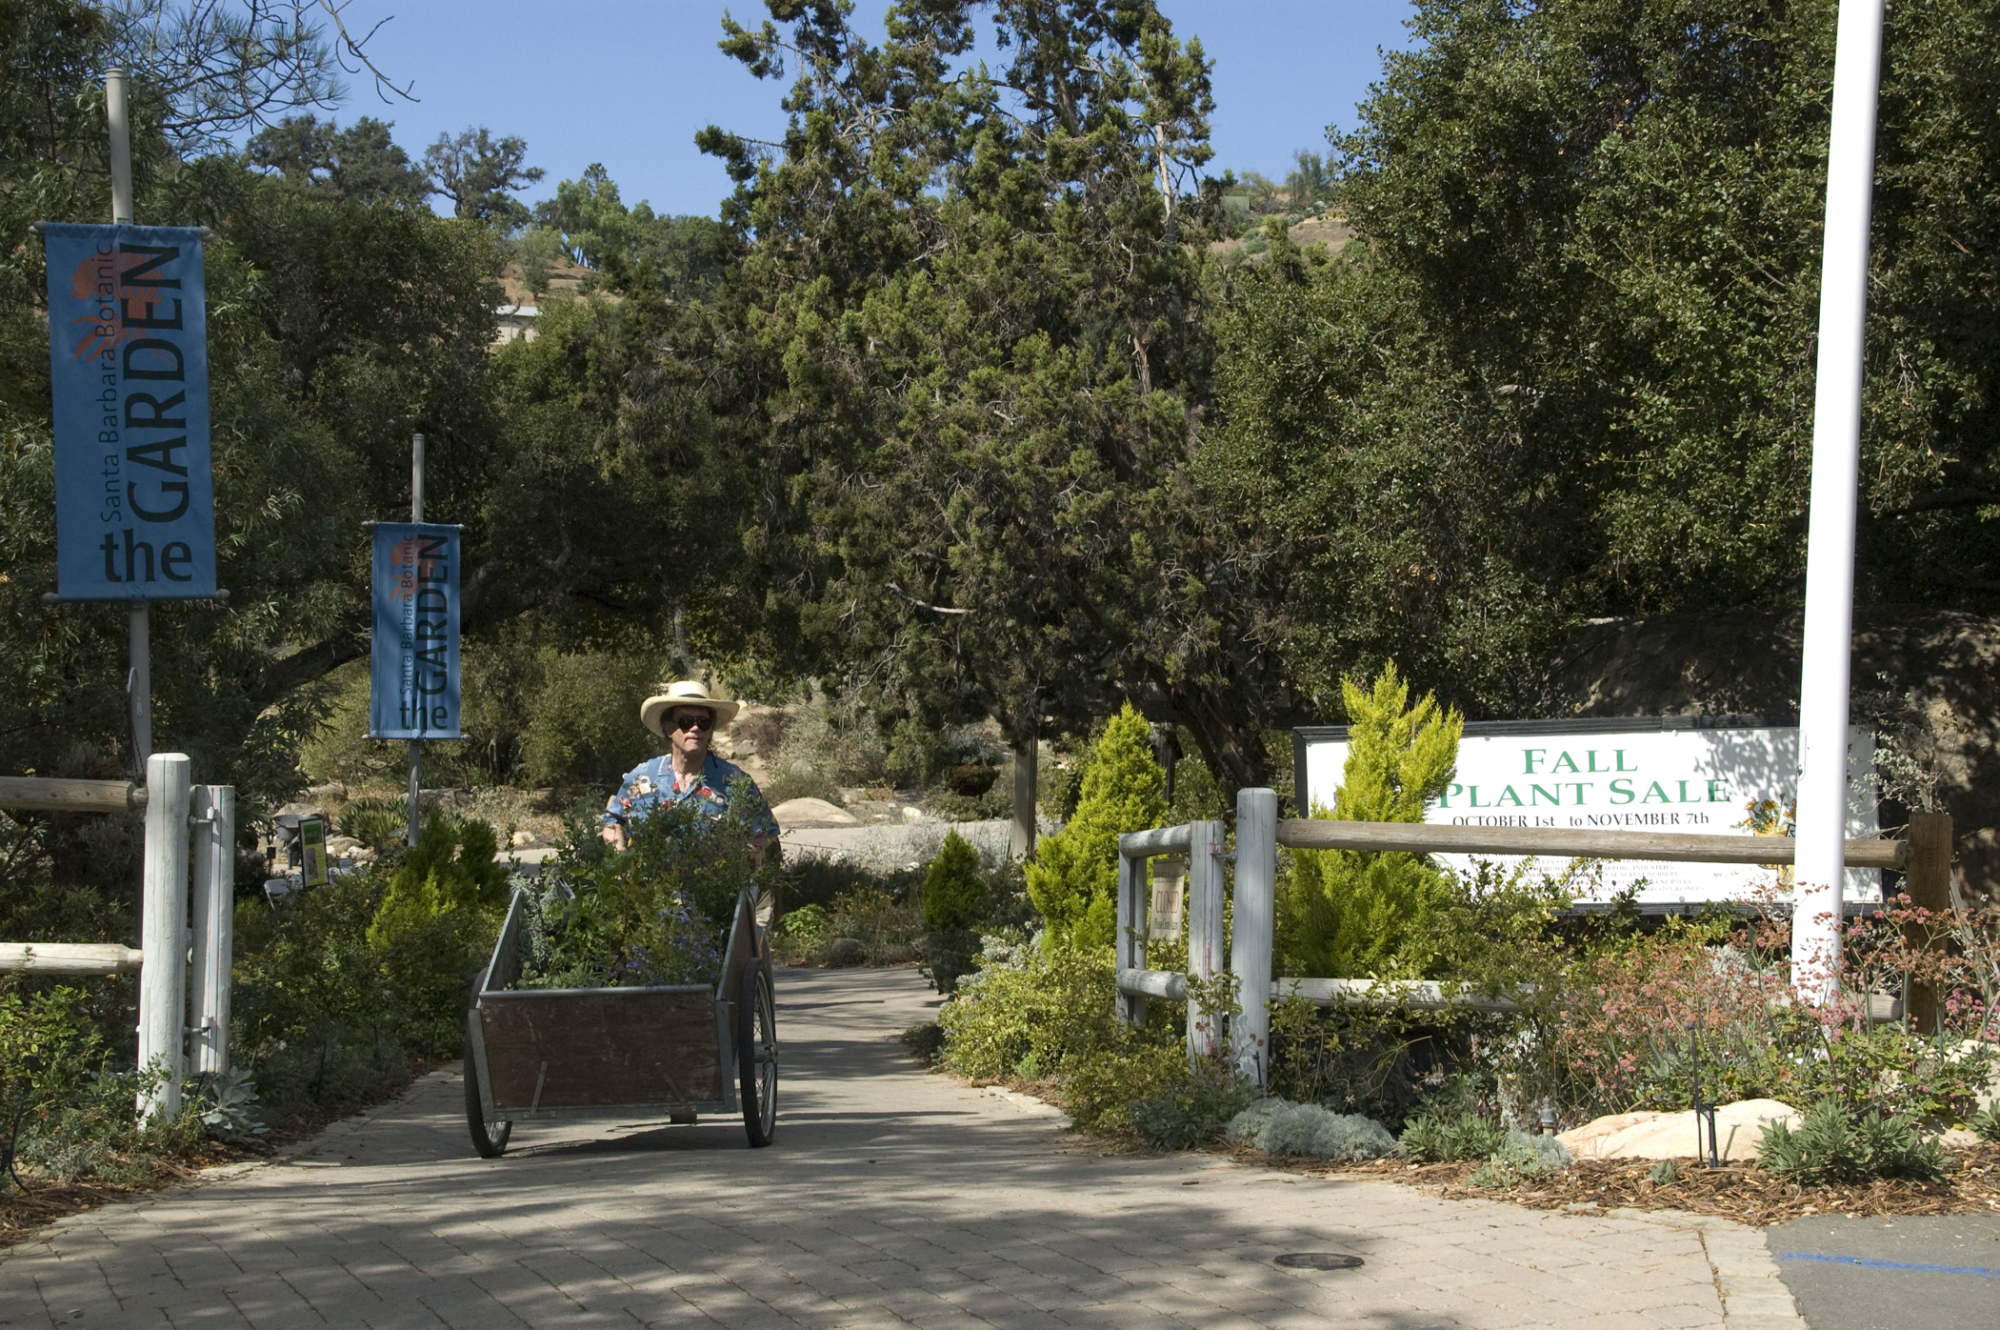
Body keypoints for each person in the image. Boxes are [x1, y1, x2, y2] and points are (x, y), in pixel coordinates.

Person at [601, 681, 781, 866]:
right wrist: (620, 860)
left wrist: (734, 859)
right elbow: (611, 820)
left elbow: (767, 834)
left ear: (710, 731)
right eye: (686, 722)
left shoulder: (735, 782)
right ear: (669, 728)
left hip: (713, 884)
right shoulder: (642, 777)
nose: (695, 728)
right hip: (648, 884)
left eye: (703, 722)